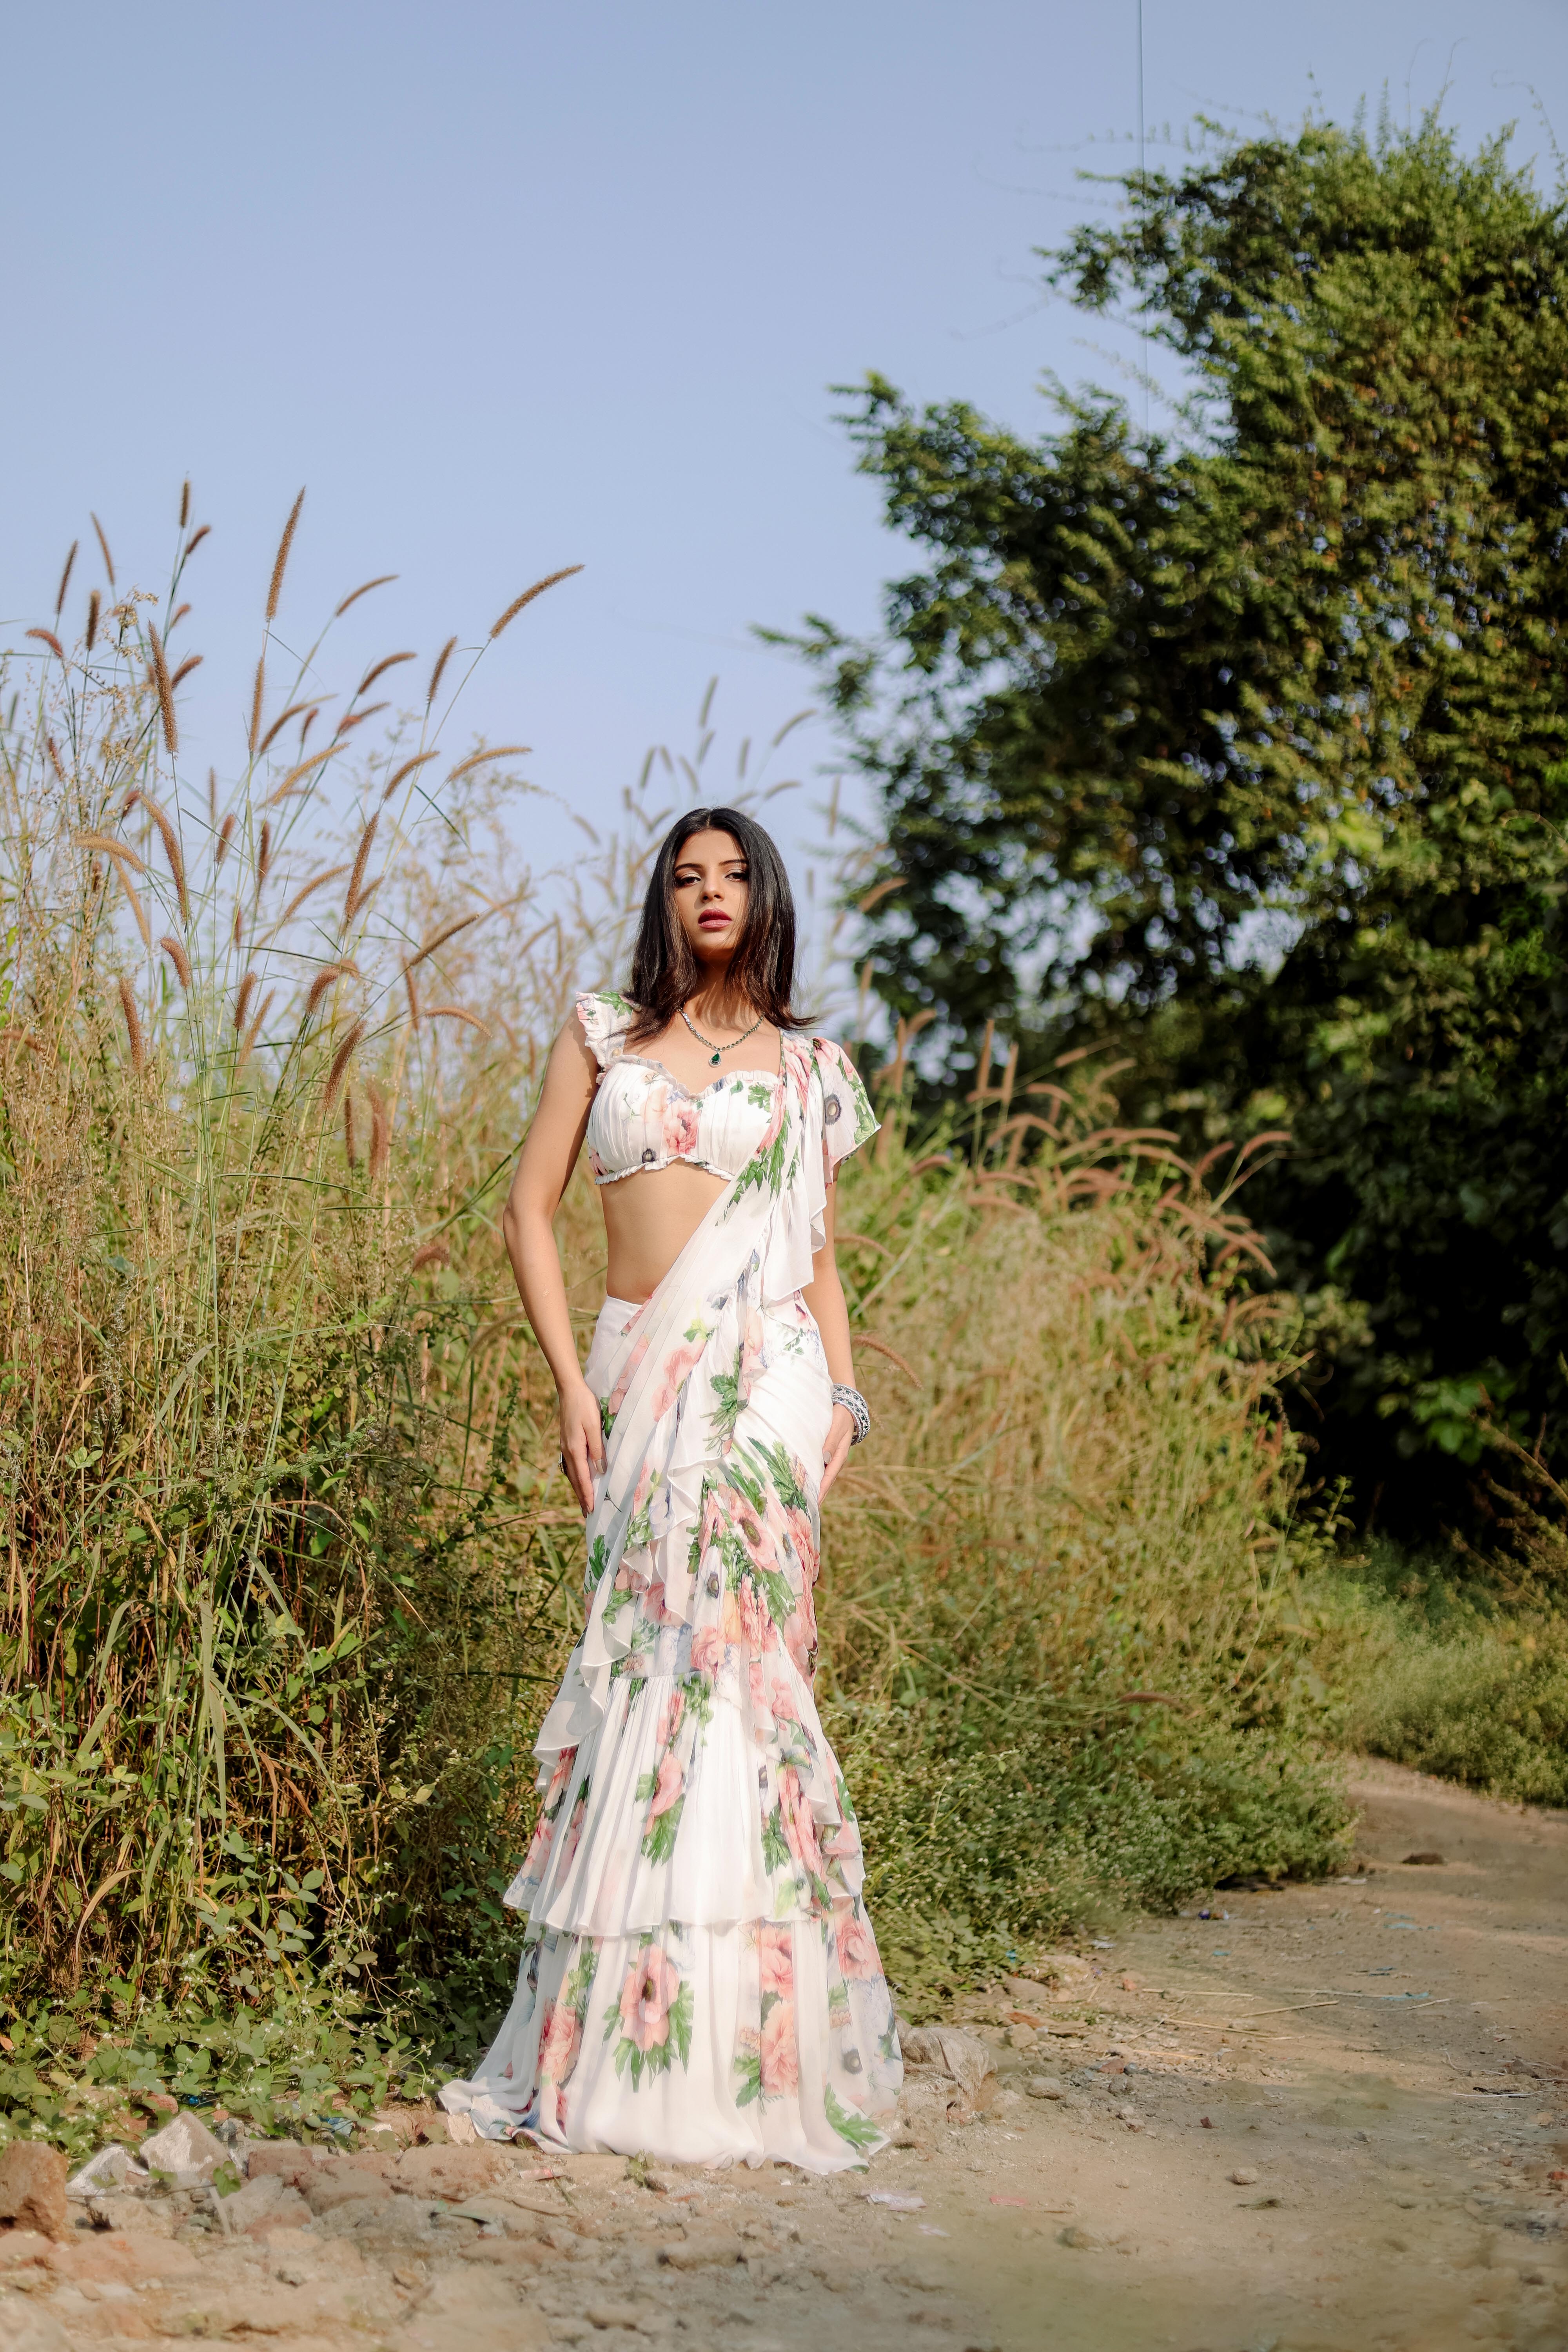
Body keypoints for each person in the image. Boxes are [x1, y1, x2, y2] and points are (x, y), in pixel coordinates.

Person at [439, 808, 902, 2171]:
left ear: (766, 897)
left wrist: (848, 1395)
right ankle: (624, 2053)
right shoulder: (604, 1035)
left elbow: (814, 1255)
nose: (711, 893)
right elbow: (528, 1207)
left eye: (733, 874)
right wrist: (571, 1384)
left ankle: (752, 2060)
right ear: (665, 900)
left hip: (771, 1389)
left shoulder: (815, 1068)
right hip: (639, 1378)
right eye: (687, 877)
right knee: (653, 1659)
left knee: (742, 1669)